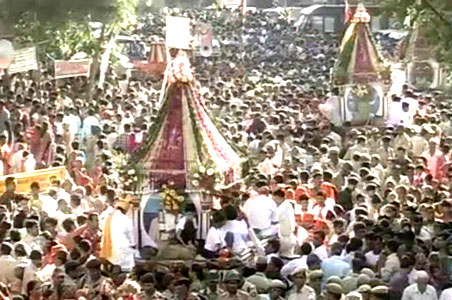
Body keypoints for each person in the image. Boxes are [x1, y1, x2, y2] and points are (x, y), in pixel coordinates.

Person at [100, 199, 135, 272]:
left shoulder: (108, 218)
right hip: (121, 250)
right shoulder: (125, 219)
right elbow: (131, 237)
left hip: (108, 249)